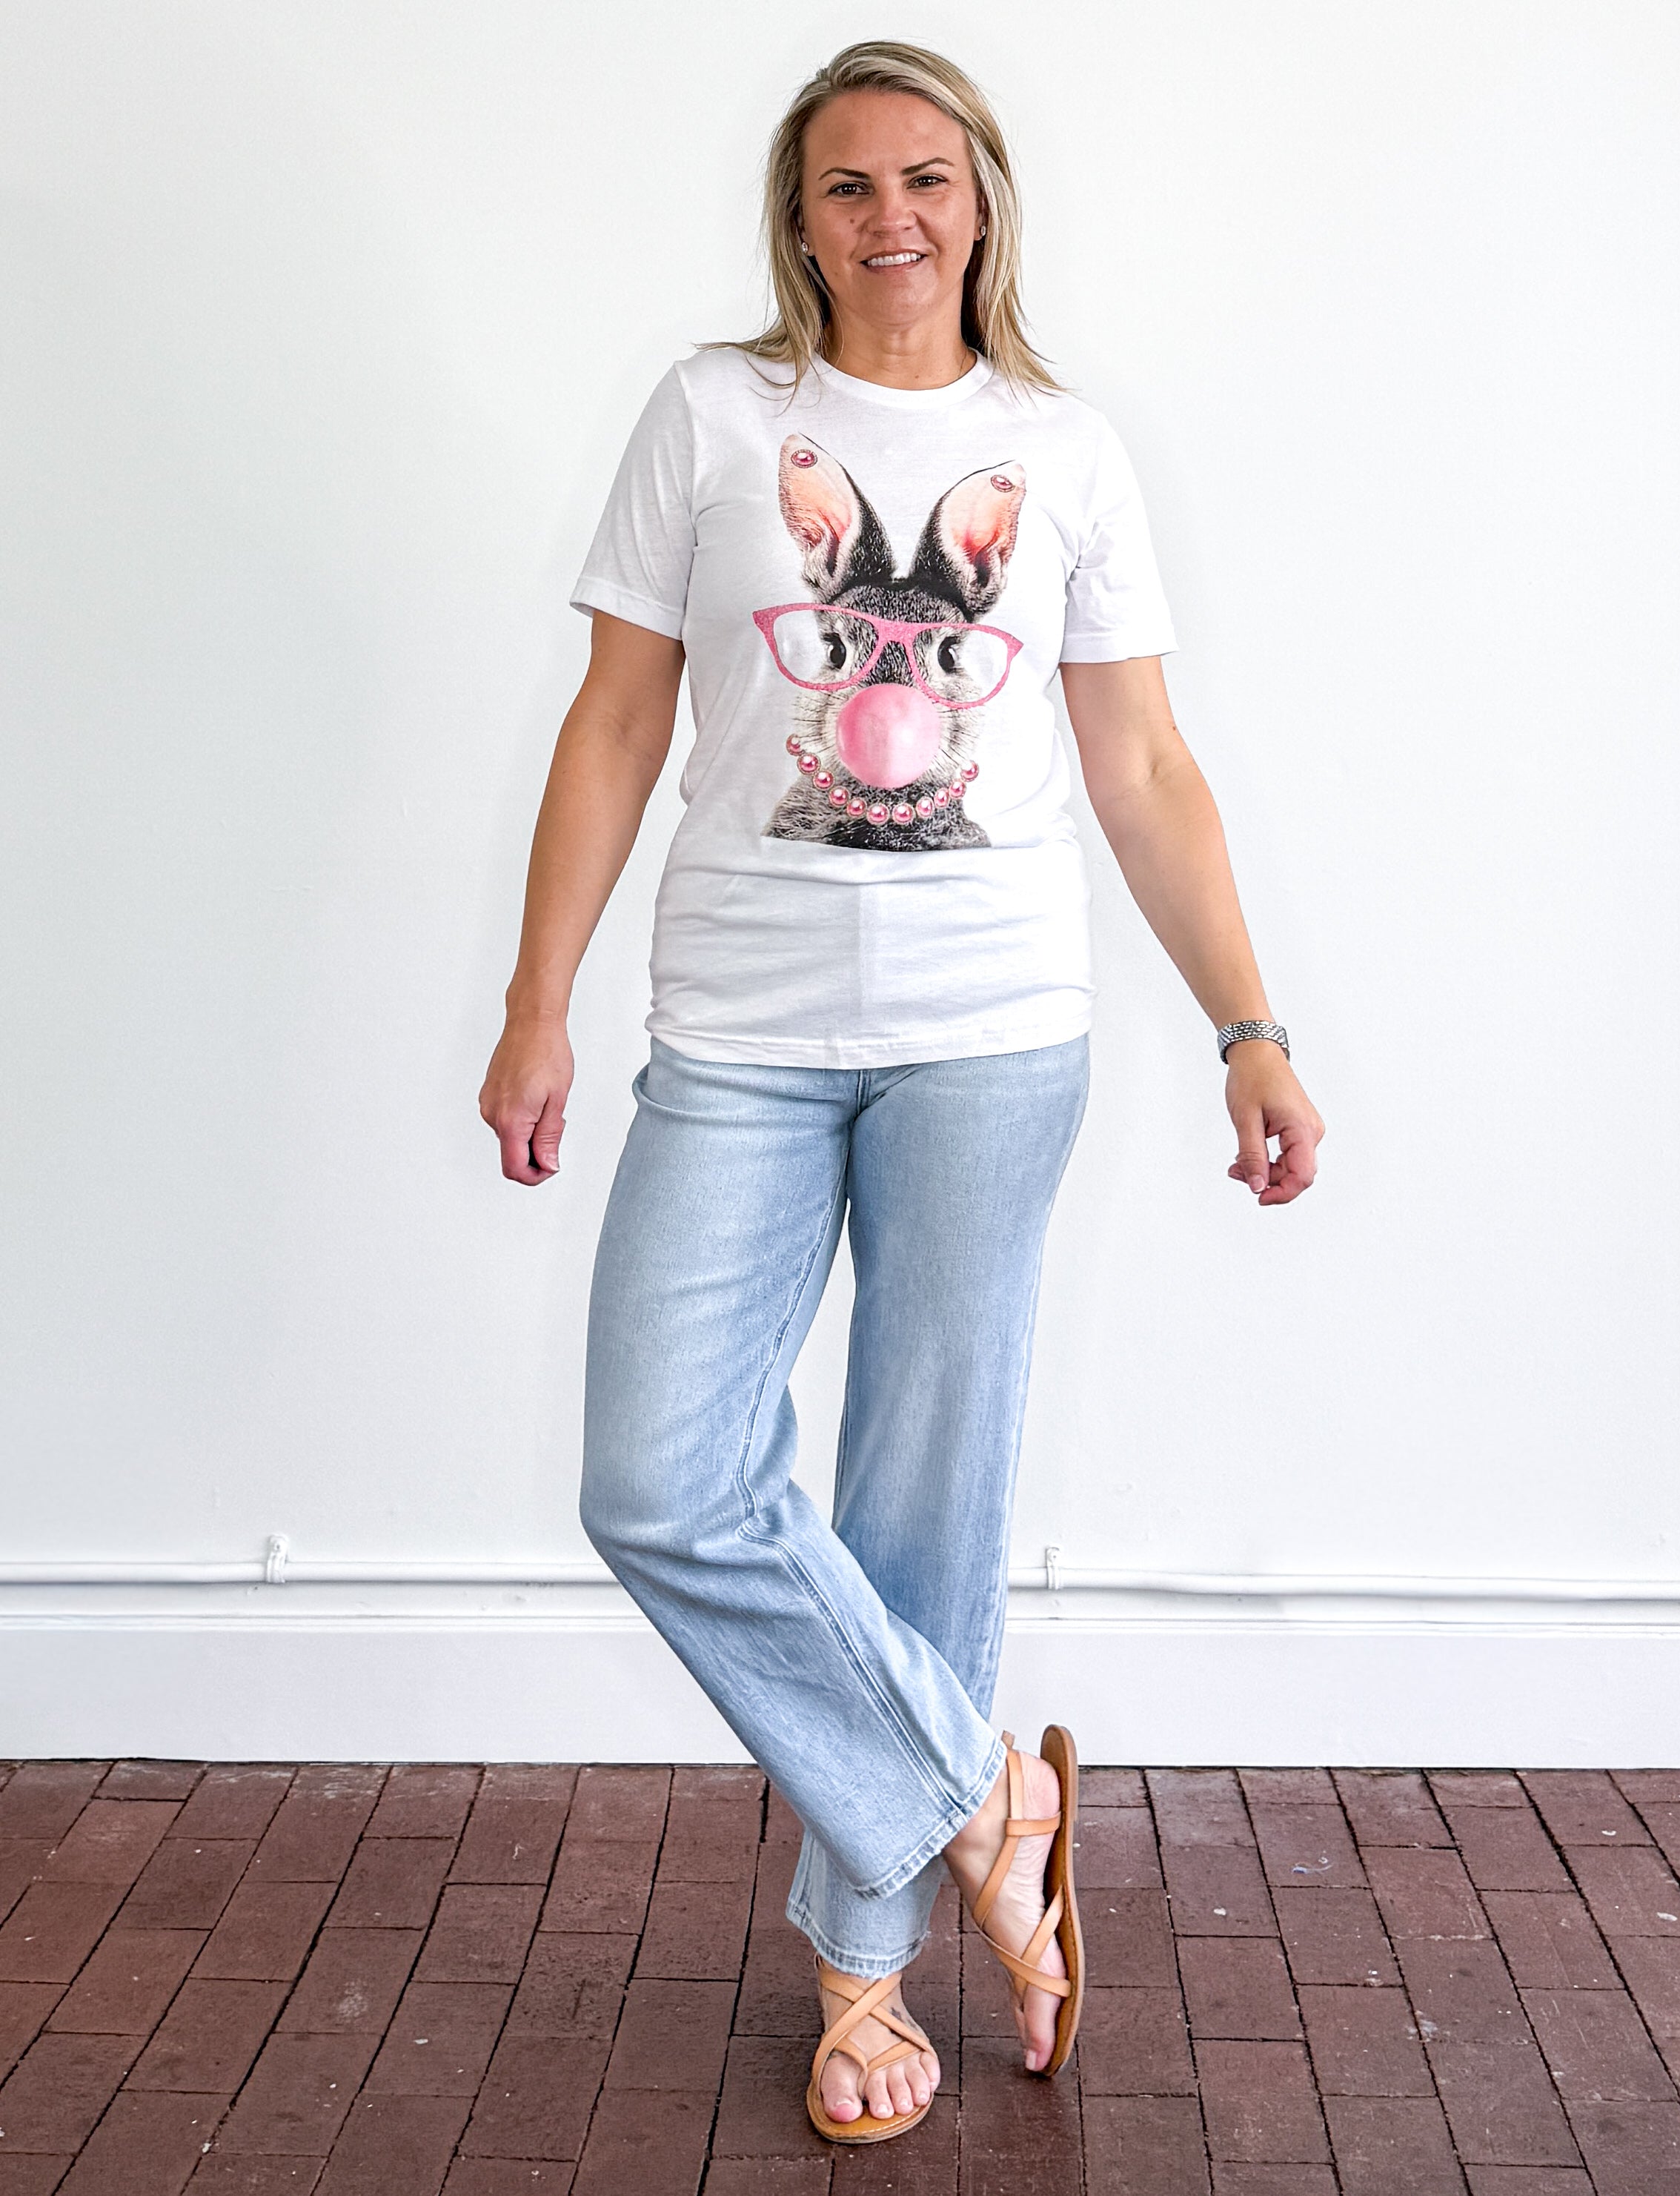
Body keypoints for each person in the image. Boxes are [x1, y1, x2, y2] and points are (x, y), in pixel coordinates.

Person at [479, 39, 1324, 2146]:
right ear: (800, 214)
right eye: (849, 185)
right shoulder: (712, 415)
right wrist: (536, 999)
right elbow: (613, 722)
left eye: (926, 179)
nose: (892, 219)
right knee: (659, 1480)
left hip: (993, 1030)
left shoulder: (1060, 449)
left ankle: (863, 1976)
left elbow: (1141, 766)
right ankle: (983, 1794)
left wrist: (1247, 1026)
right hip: (737, 1032)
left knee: (918, 1496)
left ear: (982, 200)